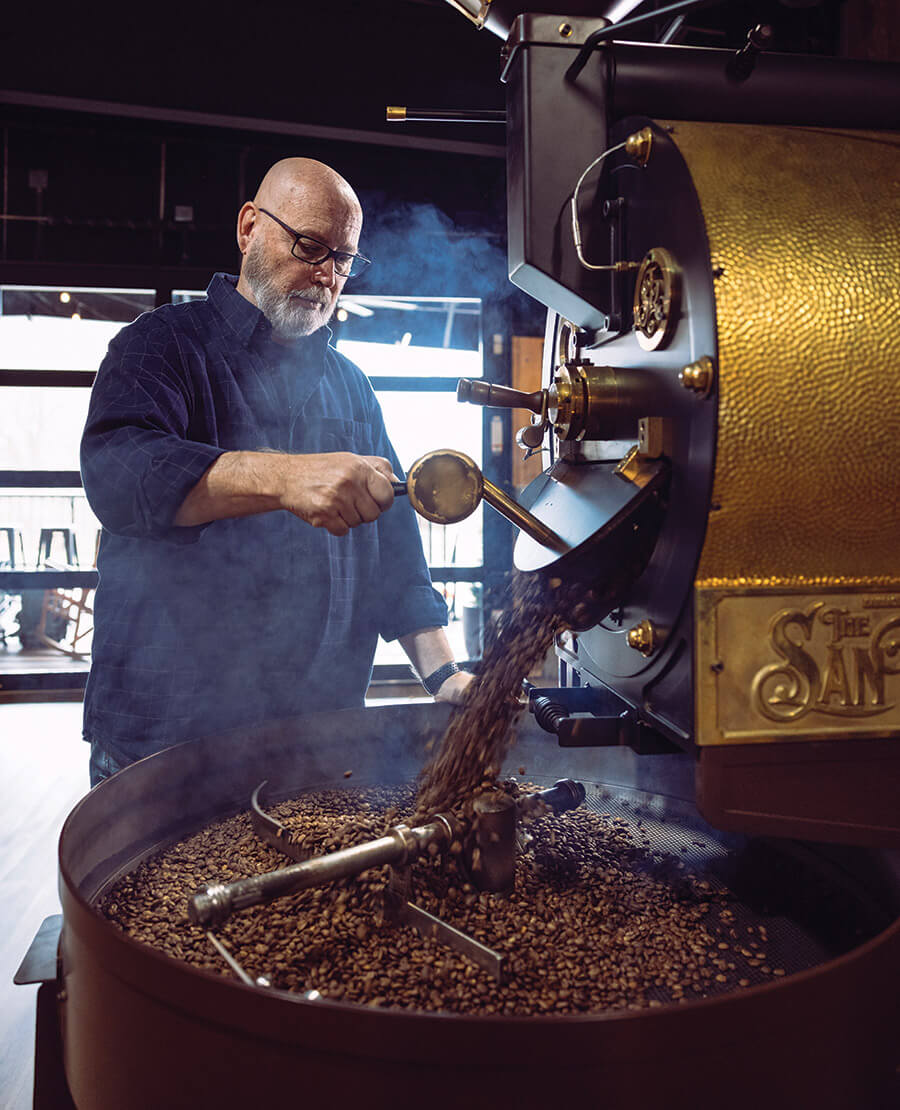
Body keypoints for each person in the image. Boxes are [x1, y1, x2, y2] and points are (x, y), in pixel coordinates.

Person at [80, 157, 472, 786]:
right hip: (168, 743)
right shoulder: (159, 345)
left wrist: (445, 675)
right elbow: (119, 476)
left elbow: (397, 555)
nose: (326, 275)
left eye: (344, 260)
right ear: (249, 228)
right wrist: (286, 479)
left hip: (318, 738)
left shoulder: (351, 386)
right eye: (310, 247)